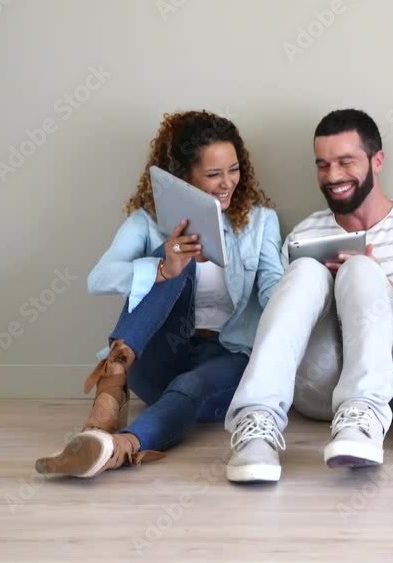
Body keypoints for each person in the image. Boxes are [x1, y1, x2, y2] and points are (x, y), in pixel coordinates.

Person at [35, 110, 284, 478]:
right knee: (170, 260)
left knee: (190, 385)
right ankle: (112, 386)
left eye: (234, 169)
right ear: (183, 178)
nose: (228, 183)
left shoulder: (261, 222)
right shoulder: (146, 222)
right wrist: (164, 268)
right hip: (158, 360)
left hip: (227, 360)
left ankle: (114, 447)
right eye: (214, 174)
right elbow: (99, 278)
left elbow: (274, 291)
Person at [224, 109, 393, 482]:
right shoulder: (305, 232)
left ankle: (361, 418)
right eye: (323, 165)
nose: (333, 176)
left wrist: (384, 284)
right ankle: (258, 425)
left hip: (388, 390)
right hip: (315, 388)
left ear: (377, 161)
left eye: (346, 162)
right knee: (304, 270)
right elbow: (283, 326)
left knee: (363, 269)